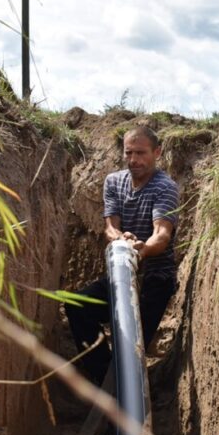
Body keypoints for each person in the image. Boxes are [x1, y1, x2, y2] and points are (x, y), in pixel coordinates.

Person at [65, 125, 179, 385]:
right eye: (129, 153)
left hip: (154, 278)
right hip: (121, 273)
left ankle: (121, 385)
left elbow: (161, 234)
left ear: (157, 153)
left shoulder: (165, 187)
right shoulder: (114, 182)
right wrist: (121, 239)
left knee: (130, 345)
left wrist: (142, 249)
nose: (134, 160)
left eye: (141, 153)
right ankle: (103, 380)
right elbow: (110, 227)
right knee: (77, 305)